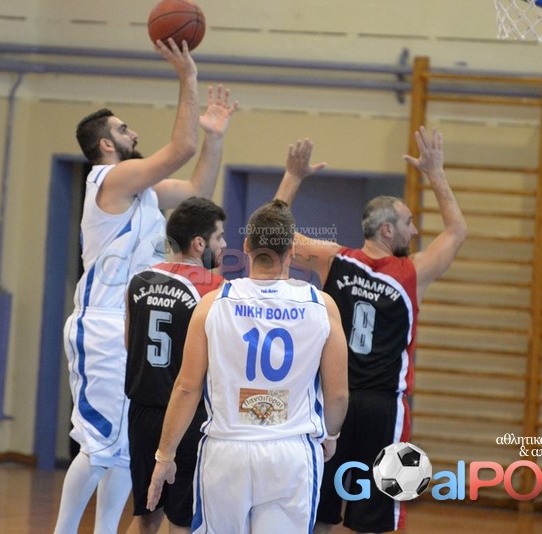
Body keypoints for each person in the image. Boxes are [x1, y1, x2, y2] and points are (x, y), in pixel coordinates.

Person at [54, 37, 239, 534]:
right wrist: (188, 78)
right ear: (106, 145)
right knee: (98, 445)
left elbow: (197, 191)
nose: (132, 132)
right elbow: (180, 149)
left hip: (130, 326)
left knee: (121, 449)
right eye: (122, 129)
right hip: (101, 325)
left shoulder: (144, 194)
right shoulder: (106, 180)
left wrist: (214, 137)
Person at [275, 126, 467, 533]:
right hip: (382, 409)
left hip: (333, 403)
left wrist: (292, 177)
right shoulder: (412, 273)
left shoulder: (333, 260)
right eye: (409, 223)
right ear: (387, 230)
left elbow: (273, 232)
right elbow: (457, 232)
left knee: (320, 512)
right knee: (374, 519)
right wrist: (435, 173)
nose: (415, 231)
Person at [147, 199, 349, 533]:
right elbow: (338, 394)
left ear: (245, 247)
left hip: (226, 451)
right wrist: (331, 434)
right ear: (291, 251)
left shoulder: (213, 304)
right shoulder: (321, 305)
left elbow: (186, 388)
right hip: (291, 452)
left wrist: (164, 456)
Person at [124, 196, 227, 534]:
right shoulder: (216, 290)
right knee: (182, 520)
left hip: (141, 413)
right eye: (219, 237)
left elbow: (129, 344)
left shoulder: (138, 281)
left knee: (146, 515)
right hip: (186, 414)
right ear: (199, 243)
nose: (225, 245)